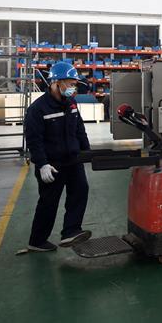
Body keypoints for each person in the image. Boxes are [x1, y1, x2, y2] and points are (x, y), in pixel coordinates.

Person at [23, 63, 93, 252]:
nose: (73, 88)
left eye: (74, 84)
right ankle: (37, 241)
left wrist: (86, 151)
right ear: (56, 83)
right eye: (70, 83)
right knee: (49, 202)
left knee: (80, 190)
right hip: (52, 164)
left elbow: (79, 128)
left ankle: (71, 231)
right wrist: (42, 164)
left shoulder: (71, 103)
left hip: (73, 159)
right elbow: (34, 140)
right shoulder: (38, 109)